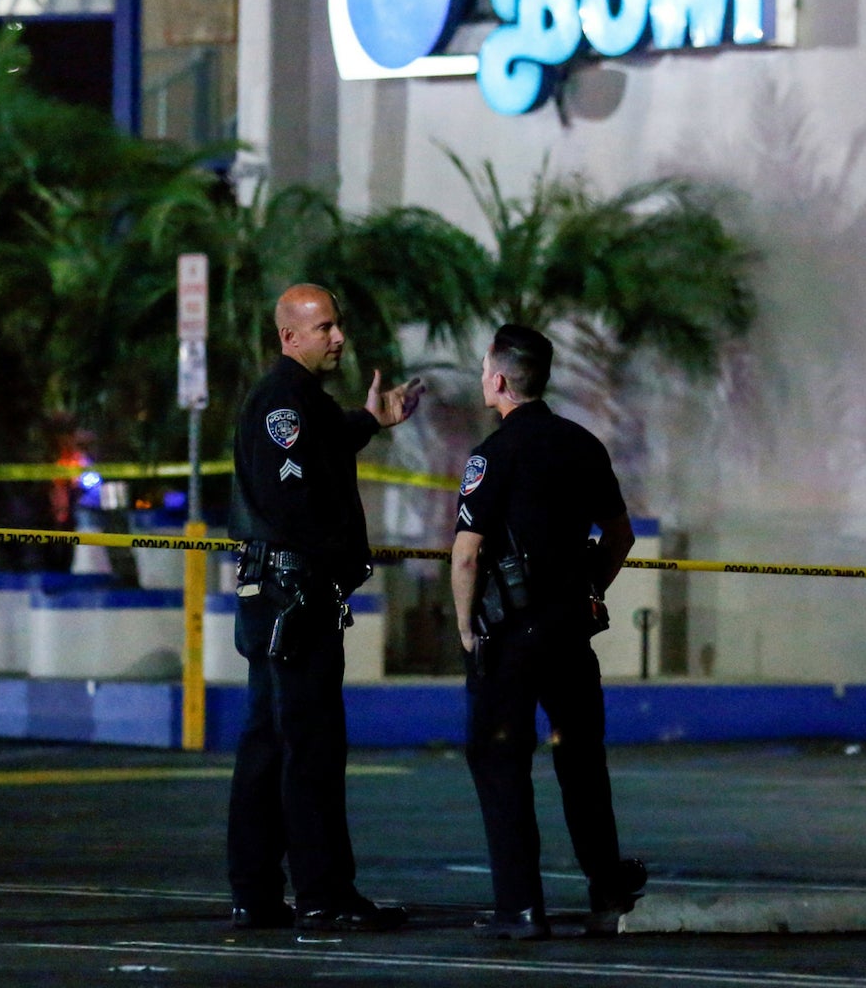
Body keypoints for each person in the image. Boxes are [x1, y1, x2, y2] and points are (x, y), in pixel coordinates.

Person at [225, 283, 424, 932]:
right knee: (308, 746)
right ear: (291, 336)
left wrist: (371, 420)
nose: (338, 337)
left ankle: (256, 892)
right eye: (325, 328)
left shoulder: (300, 400)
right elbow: (294, 496)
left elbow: (324, 441)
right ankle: (322, 893)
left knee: (271, 744)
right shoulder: (281, 402)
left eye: (337, 325)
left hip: (282, 596)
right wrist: (328, 563)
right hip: (294, 596)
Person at [451, 324, 646, 939]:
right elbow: (620, 537)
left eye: (486, 370)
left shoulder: (494, 453)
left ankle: (521, 907)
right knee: (581, 762)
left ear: (501, 380)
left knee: (500, 760)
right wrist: (590, 589)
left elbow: (465, 554)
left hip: (510, 639)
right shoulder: (584, 445)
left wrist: (463, 629)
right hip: (570, 635)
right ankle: (608, 892)